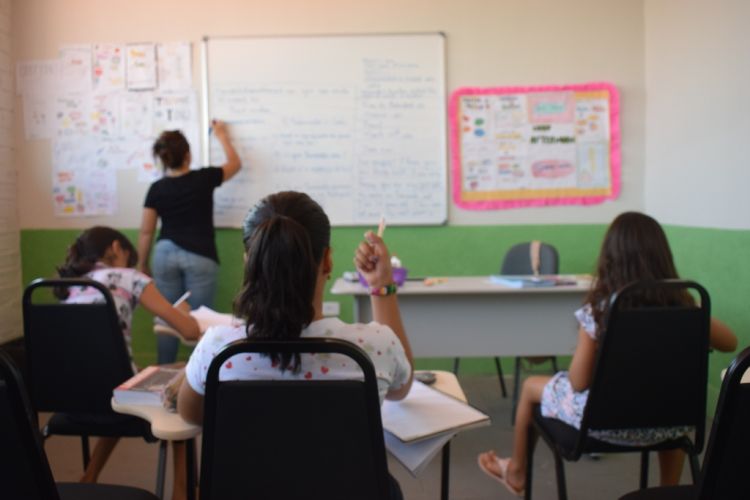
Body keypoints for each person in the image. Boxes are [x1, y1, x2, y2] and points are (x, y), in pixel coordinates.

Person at [477, 211, 737, 497]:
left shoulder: (599, 312)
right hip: (669, 426)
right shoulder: (688, 309)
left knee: (530, 387)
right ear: (663, 258)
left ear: (610, 259)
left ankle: (516, 471)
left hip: (604, 426)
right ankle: (668, 491)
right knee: (666, 403)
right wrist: (697, 315)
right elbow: (730, 343)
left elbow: (578, 383)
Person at [177, 191, 413, 498]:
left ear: (249, 261)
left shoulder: (218, 349)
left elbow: (191, 414)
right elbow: (400, 389)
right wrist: (381, 285)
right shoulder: (372, 348)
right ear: (327, 260)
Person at [55, 226, 200, 484]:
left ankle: (89, 476)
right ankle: (182, 492)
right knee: (182, 380)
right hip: (115, 397)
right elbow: (189, 331)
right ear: (115, 247)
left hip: (68, 398)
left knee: (118, 377)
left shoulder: (69, 286)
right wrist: (184, 314)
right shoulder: (130, 277)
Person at [137, 121, 241, 364]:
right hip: (200, 256)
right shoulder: (204, 178)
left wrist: (142, 263)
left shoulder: (157, 188)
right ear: (187, 155)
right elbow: (235, 164)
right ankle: (200, 376)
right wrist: (222, 136)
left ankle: (163, 375)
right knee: (199, 323)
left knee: (167, 319)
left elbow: (146, 231)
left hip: (164, 253)